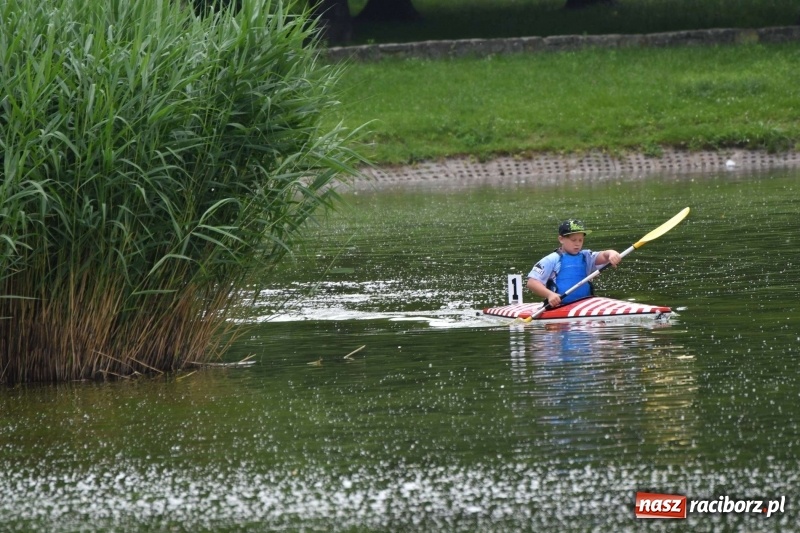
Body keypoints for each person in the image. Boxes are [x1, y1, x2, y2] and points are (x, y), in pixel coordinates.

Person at [526, 219, 622, 308]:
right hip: (560, 307)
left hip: (585, 306)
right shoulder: (551, 259)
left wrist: (611, 253)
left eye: (580, 240)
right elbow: (532, 282)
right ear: (561, 239)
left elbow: (604, 256)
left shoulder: (586, 256)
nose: (577, 244)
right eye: (573, 240)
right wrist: (550, 295)